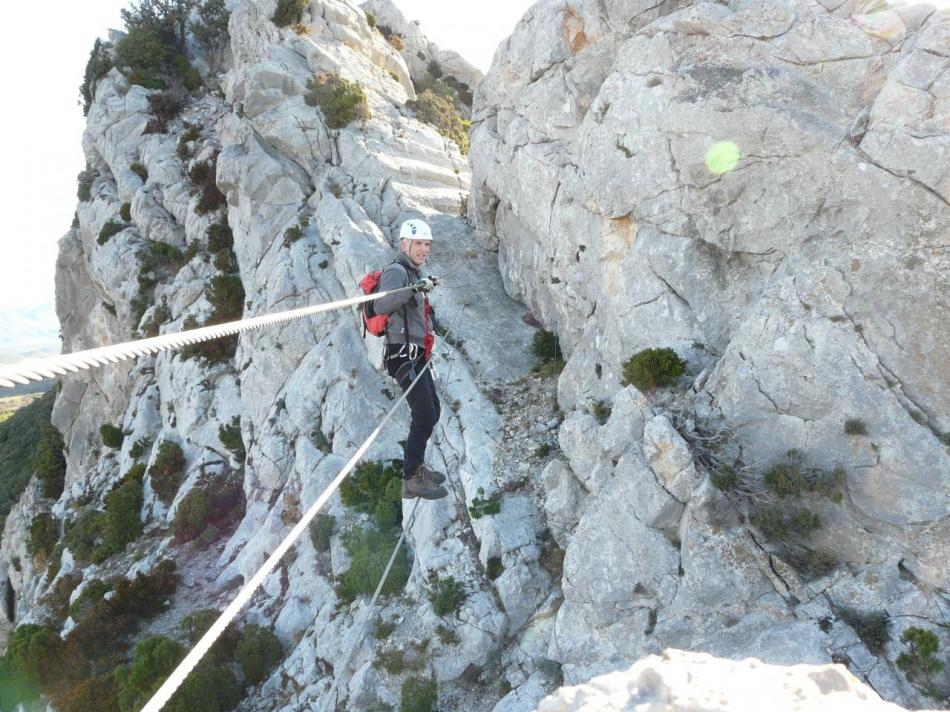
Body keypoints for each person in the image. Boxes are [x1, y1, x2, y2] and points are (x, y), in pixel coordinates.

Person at [373, 218, 448, 500]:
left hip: (416, 354)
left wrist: (421, 287)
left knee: (433, 410)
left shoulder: (416, 275)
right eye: (419, 243)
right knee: (425, 413)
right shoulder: (396, 271)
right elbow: (381, 304)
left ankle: (416, 469)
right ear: (405, 244)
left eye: (427, 244)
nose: (424, 249)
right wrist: (414, 289)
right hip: (401, 354)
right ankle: (411, 477)